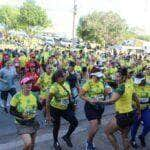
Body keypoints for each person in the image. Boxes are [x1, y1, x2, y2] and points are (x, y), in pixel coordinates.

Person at [99, 67, 141, 150]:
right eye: (116, 76)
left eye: (118, 76)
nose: (116, 78)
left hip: (122, 116)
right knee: (124, 137)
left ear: (124, 77)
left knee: (107, 132)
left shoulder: (120, 88)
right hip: (131, 115)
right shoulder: (129, 85)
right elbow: (137, 100)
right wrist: (139, 111)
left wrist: (99, 101)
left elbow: (112, 101)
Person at [46, 69, 78, 150]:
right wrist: (48, 115)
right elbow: (47, 101)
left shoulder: (66, 84)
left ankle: (66, 136)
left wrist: (73, 104)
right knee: (57, 126)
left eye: (64, 76)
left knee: (74, 122)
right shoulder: (54, 87)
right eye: (61, 77)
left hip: (65, 108)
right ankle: (55, 141)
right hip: (55, 109)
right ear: (57, 78)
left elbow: (69, 95)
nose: (63, 78)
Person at [10, 77, 42, 150]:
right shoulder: (17, 96)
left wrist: (41, 101)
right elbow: (11, 111)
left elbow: (40, 108)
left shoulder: (33, 95)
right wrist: (21, 115)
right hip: (22, 123)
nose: (29, 85)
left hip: (33, 122)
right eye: (27, 83)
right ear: (22, 85)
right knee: (28, 143)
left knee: (32, 145)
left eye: (30, 83)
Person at [80, 67, 107, 150]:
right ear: (93, 75)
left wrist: (106, 93)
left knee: (97, 126)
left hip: (100, 107)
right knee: (95, 125)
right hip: (90, 107)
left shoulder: (101, 82)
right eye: (97, 76)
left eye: (100, 76)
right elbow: (81, 95)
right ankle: (88, 142)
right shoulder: (88, 84)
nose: (99, 77)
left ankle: (91, 140)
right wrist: (89, 100)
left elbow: (103, 95)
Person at [130, 72, 150, 148]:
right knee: (135, 125)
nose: (138, 83)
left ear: (144, 79)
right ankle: (132, 140)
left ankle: (142, 136)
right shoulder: (133, 85)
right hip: (135, 109)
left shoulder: (148, 85)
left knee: (148, 125)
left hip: (145, 109)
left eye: (139, 81)